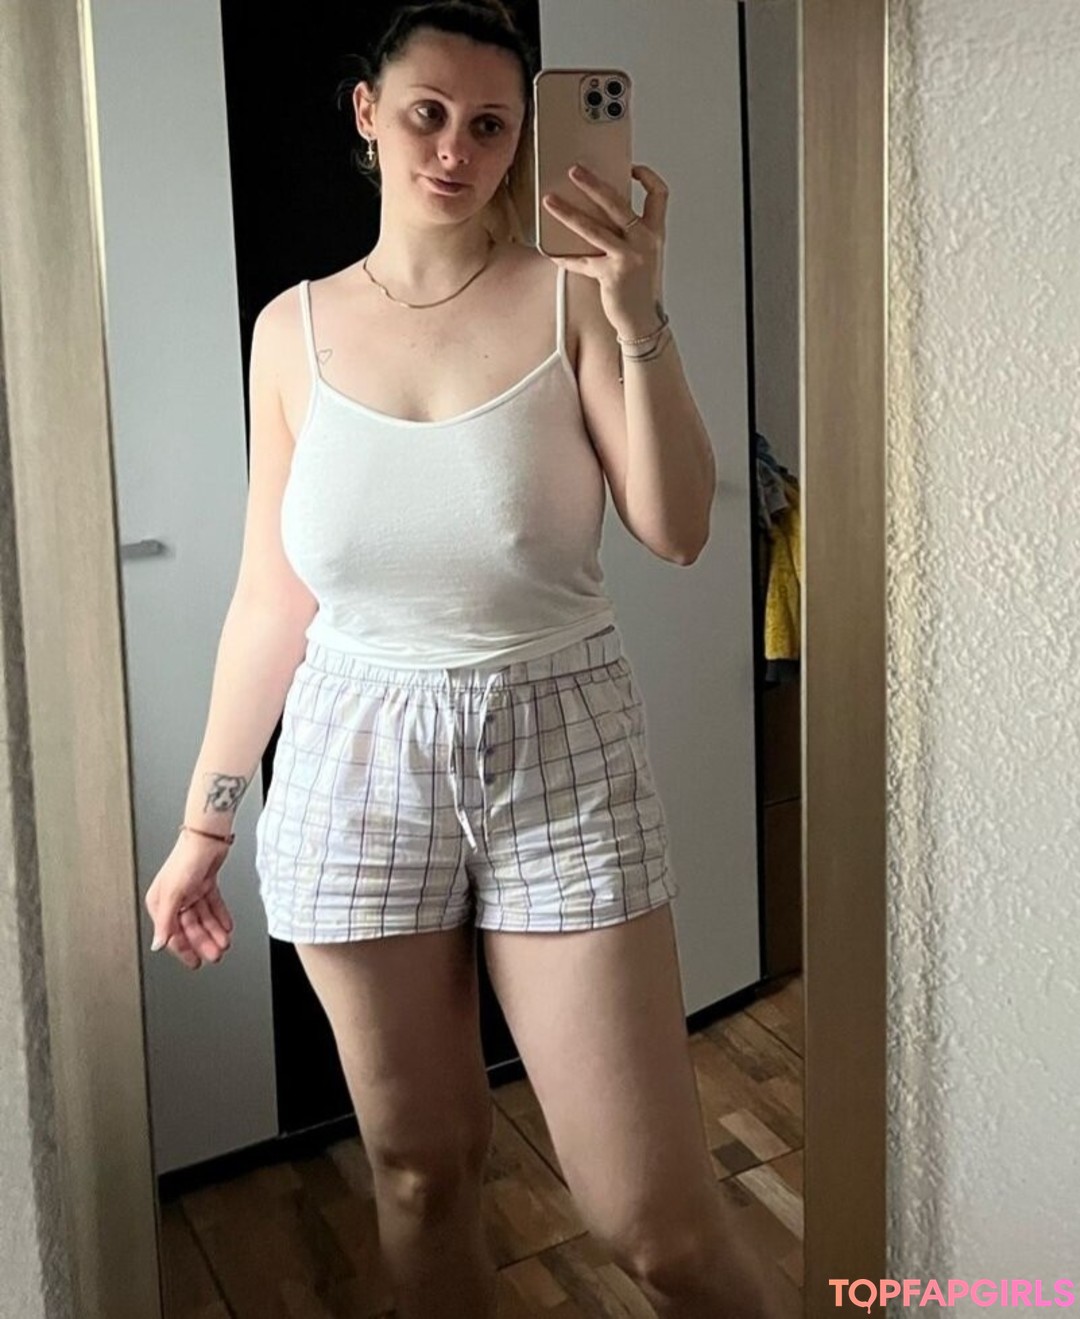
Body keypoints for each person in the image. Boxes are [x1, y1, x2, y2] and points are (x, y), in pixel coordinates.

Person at [145, 4, 793, 1317]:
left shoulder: (572, 299)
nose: (455, 149)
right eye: (427, 113)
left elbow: (676, 531)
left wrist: (639, 315)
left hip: (561, 750)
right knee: (420, 1171)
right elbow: (271, 599)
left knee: (657, 1226)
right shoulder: (292, 332)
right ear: (368, 114)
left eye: (491, 125)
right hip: (352, 764)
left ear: (521, 141)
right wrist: (205, 823)